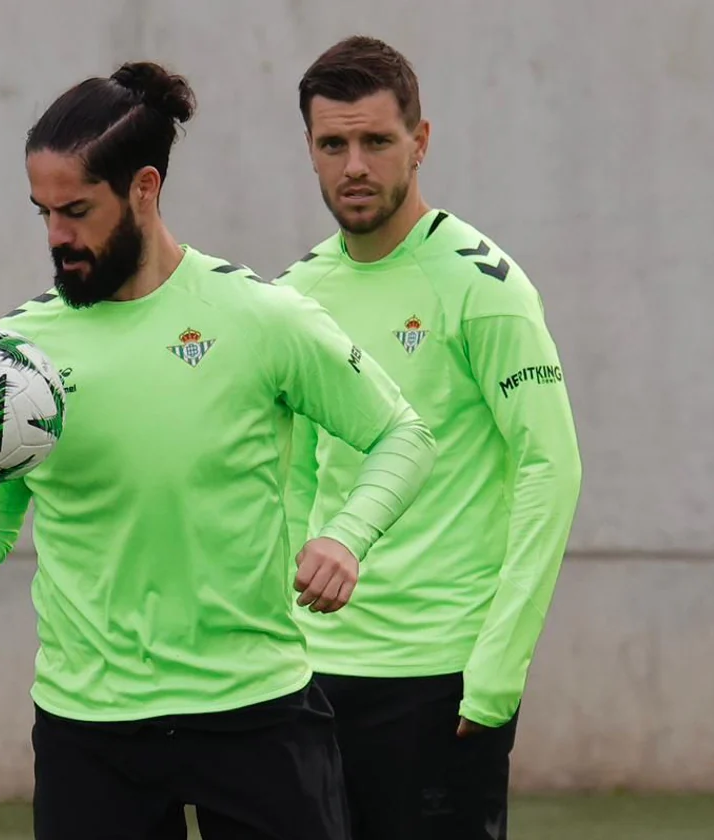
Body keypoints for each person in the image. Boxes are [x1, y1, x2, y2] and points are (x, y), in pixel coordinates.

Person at [0, 61, 436, 840]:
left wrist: (347, 537)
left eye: (77, 210)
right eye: (43, 212)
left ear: (144, 189)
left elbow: (403, 435)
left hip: (256, 710)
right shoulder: (20, 358)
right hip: (91, 730)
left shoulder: (261, 318)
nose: (57, 236)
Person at [277, 37, 583, 840]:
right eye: (332, 144)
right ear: (308, 149)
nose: (354, 165)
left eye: (377, 141)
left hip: (440, 677)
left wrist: (497, 670)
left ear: (421, 140)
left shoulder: (483, 288)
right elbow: (293, 476)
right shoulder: (295, 296)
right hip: (311, 672)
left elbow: (552, 470)